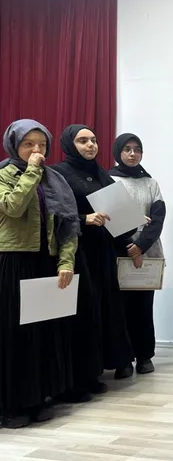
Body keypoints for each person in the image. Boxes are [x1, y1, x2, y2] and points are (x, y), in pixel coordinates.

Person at [0, 119, 80, 428]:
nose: (37, 150)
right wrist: (32, 171)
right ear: (14, 145)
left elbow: (68, 225)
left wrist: (66, 262)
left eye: (42, 145)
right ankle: (11, 404)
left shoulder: (55, 179)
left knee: (42, 334)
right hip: (13, 261)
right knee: (14, 335)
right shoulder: (4, 175)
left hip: (45, 261)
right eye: (29, 144)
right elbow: (13, 207)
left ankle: (37, 397)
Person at [53, 125, 135, 380]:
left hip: (103, 249)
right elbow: (51, 213)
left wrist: (131, 220)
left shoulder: (101, 174)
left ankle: (115, 359)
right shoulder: (58, 174)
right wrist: (84, 219)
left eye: (94, 140)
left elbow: (116, 213)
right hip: (77, 250)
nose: (91, 145)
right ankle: (86, 371)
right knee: (85, 307)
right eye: (83, 141)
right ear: (69, 145)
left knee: (109, 304)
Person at [109, 133, 166, 375]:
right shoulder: (109, 180)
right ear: (118, 152)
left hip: (147, 251)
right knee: (120, 309)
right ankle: (123, 359)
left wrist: (140, 246)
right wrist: (128, 246)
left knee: (143, 307)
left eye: (137, 149)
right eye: (127, 149)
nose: (133, 154)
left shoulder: (151, 183)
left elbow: (158, 218)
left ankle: (144, 356)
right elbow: (110, 216)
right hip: (118, 251)